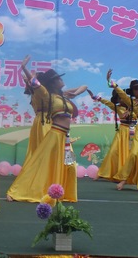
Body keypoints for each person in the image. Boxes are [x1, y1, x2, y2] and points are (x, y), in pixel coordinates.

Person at [6, 63, 87, 203]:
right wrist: (24, 68)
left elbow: (85, 86)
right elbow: (35, 83)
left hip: (66, 138)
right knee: (40, 164)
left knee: (71, 165)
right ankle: (15, 191)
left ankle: (63, 193)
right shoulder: (48, 97)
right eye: (57, 78)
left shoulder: (64, 96)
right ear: (53, 83)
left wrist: (75, 93)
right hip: (55, 135)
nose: (61, 80)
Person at [89, 88, 133, 181]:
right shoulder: (118, 108)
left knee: (131, 153)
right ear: (117, 100)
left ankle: (127, 176)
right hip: (122, 132)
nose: (123, 100)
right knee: (113, 152)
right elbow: (107, 103)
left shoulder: (134, 107)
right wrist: (95, 97)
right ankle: (102, 173)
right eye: (120, 98)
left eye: (124, 97)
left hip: (134, 132)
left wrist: (131, 109)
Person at [20, 55, 50, 165]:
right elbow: (32, 85)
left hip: (45, 122)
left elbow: (33, 83)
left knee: (43, 147)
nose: (30, 78)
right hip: (39, 122)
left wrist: (23, 67)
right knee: (38, 148)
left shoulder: (43, 91)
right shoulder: (35, 94)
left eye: (34, 76)